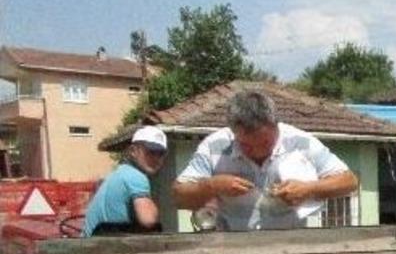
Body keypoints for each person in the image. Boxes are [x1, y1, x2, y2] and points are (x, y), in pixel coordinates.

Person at [173, 89, 358, 231]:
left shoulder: (301, 142)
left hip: (291, 248)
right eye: (246, 145)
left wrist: (308, 189)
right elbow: (177, 196)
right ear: (233, 132)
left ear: (276, 125)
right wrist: (212, 186)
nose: (258, 151)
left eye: (265, 142)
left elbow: (349, 181)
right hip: (231, 248)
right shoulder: (215, 146)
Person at [82, 126, 167, 237]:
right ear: (133, 151)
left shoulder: (119, 173)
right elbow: (148, 220)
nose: (156, 158)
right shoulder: (136, 177)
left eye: (160, 153)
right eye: (150, 151)